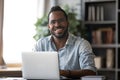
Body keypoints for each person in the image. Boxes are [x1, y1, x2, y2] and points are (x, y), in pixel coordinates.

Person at [33, 6, 97, 79]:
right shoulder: (40, 44)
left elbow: (91, 72)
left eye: (61, 21)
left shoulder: (82, 44)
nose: (57, 25)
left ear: (67, 23)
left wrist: (65, 73)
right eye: (53, 22)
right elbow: (32, 69)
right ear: (49, 26)